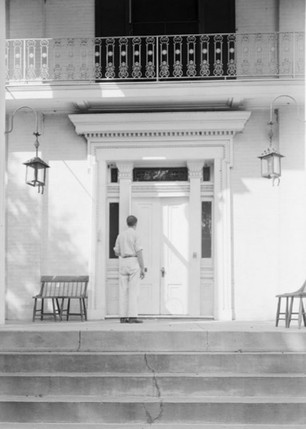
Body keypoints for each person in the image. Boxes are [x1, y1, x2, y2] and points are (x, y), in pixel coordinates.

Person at [113, 215, 145, 323]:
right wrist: (142, 267)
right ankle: (132, 317)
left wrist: (123, 251)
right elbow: (139, 252)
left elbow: (116, 251)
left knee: (123, 290)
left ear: (127, 223)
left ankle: (123, 317)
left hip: (123, 261)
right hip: (133, 261)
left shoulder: (120, 235)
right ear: (136, 224)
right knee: (133, 290)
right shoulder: (136, 235)